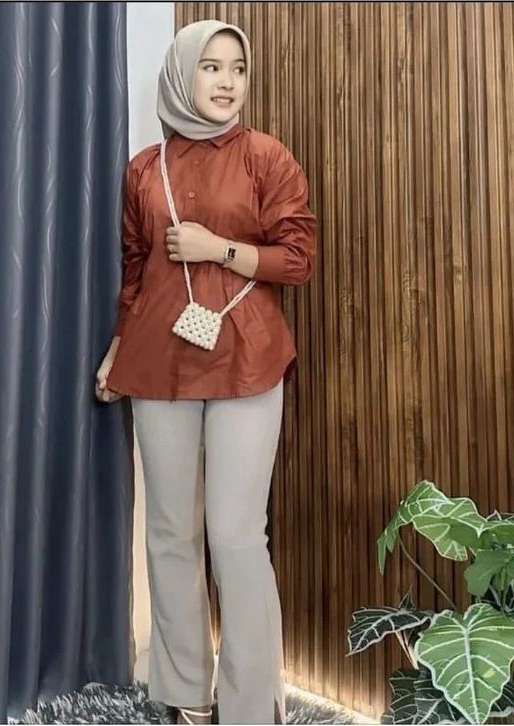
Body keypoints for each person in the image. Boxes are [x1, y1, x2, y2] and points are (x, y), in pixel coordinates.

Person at [95, 18, 316, 725]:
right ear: (181, 74)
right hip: (158, 361)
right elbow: (136, 269)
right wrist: (118, 347)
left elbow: (298, 260)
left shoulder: (267, 158)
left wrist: (217, 247)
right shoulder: (144, 169)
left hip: (247, 360)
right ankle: (186, 695)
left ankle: (252, 707)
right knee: (169, 532)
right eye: (211, 67)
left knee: (235, 535)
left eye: (237, 68)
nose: (227, 82)